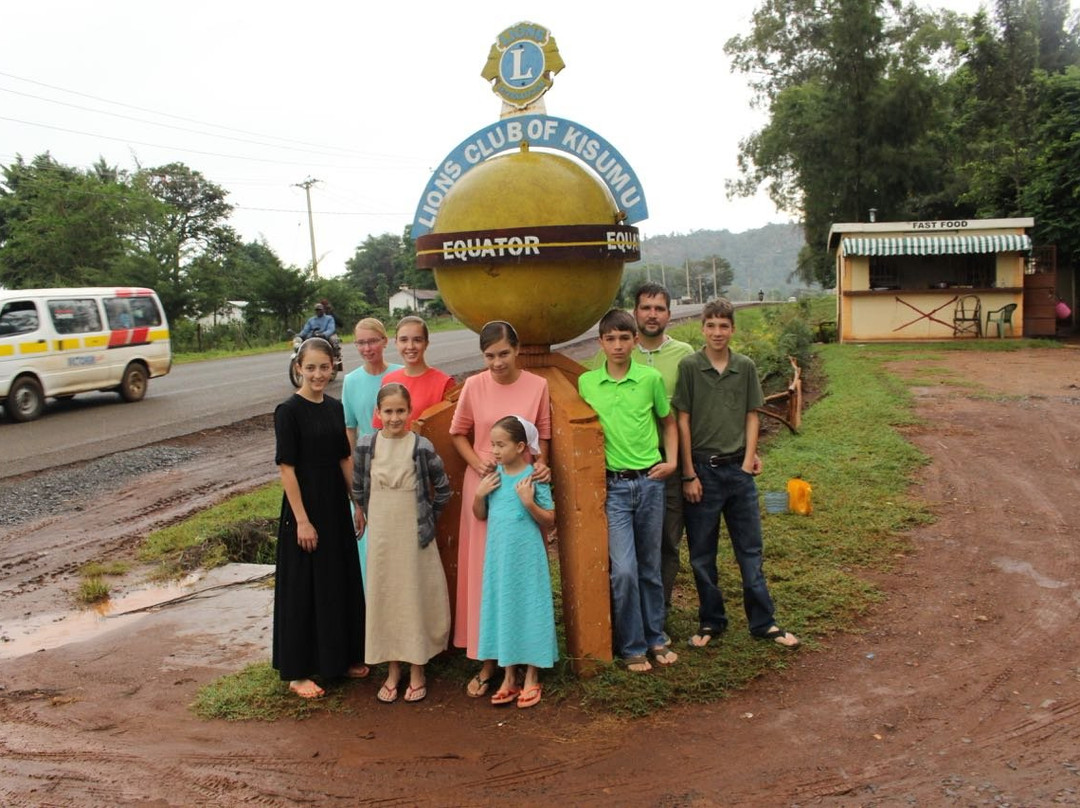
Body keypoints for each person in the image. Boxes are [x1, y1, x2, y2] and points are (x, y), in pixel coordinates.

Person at [673, 298, 800, 650]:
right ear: (702, 328)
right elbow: (682, 420)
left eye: (723, 326)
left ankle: (764, 622)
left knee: (750, 550)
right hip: (702, 471)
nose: (717, 332)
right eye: (711, 325)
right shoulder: (689, 367)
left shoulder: (744, 367)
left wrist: (747, 460)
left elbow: (751, 414)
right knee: (702, 553)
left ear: (732, 329)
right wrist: (688, 473)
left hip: (738, 472)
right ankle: (712, 621)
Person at [450, 320, 551, 698]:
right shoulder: (474, 386)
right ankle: (487, 659)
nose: (497, 362)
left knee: (521, 577)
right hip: (486, 486)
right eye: (489, 356)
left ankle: (527, 658)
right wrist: (476, 465)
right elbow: (458, 432)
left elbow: (544, 436)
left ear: (518, 349)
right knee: (484, 575)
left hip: (523, 490)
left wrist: (543, 466)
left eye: (503, 353)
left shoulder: (538, 386)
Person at [577, 309, 679, 672]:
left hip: (650, 483)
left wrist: (672, 461)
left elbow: (668, 423)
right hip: (614, 487)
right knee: (623, 569)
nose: (618, 345)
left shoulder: (650, 379)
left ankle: (655, 637)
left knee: (650, 566)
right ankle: (631, 643)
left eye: (625, 338)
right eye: (611, 339)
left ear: (635, 340)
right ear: (601, 343)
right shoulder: (588, 384)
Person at [273, 337, 366, 699]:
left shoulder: (333, 407)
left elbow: (344, 459)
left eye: (324, 367)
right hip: (304, 507)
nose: (317, 374)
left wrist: (356, 503)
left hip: (334, 505)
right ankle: (297, 673)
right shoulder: (288, 411)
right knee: (303, 588)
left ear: (333, 368)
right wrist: (302, 520)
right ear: (298, 368)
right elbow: (286, 469)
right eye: (310, 367)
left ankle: (339, 659)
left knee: (337, 581)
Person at [352, 384, 452, 704]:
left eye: (401, 411)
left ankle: (418, 667)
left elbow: (443, 489)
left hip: (413, 535)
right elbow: (358, 489)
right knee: (387, 598)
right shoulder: (367, 446)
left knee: (413, 597)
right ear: (378, 414)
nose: (395, 418)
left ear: (410, 412)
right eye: (388, 412)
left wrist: (427, 518)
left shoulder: (420, 446)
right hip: (381, 535)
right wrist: (364, 514)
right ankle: (393, 669)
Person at [473, 416, 557, 708]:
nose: (494, 451)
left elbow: (550, 518)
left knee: (530, 606)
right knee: (505, 608)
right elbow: (480, 514)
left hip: (528, 555)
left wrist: (528, 502)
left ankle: (532, 674)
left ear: (521, 446)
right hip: (499, 556)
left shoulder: (534, 477)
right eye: (492, 444)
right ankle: (509, 676)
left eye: (501, 444)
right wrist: (479, 494)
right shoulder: (493, 476)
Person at [342, 317, 402, 588]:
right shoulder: (351, 381)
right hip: (368, 471)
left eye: (372, 341)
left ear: (385, 341)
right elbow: (350, 433)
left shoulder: (400, 374)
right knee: (369, 544)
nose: (367, 348)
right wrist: (355, 488)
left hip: (400, 467)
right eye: (361, 343)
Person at [374, 315, 453, 430]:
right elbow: (381, 428)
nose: (410, 346)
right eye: (404, 340)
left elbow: (450, 432)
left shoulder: (444, 383)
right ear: (396, 343)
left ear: (426, 343)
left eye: (417, 340)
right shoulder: (388, 381)